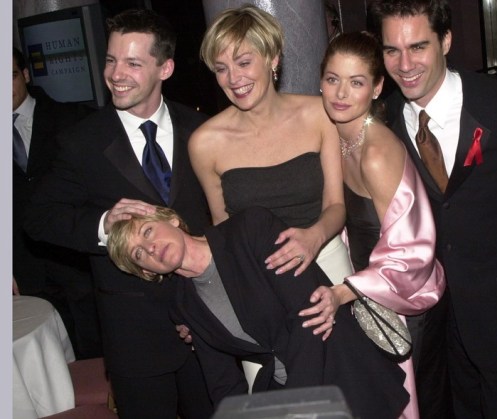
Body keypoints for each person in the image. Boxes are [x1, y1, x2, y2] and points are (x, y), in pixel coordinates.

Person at [24, 9, 214, 419]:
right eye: (111, 60)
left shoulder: (202, 129)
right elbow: (38, 217)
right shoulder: (82, 141)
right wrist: (103, 225)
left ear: (165, 67)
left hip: (208, 325)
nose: (116, 73)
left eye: (132, 62)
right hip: (134, 335)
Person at [369, 0, 497, 417]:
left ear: (446, 40)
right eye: (391, 50)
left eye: (418, 47)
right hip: (436, 321)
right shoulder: (383, 123)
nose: (404, 63)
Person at [106, 205, 410, 419]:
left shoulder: (250, 229)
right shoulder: (184, 304)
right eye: (138, 254)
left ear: (171, 220)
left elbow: (307, 316)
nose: (151, 248)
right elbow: (221, 379)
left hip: (340, 366)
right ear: (145, 271)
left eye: (147, 232)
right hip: (283, 386)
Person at [309, 31, 446, 418]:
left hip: (404, 305)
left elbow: (411, 255)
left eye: (356, 82)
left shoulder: (376, 153)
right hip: (369, 295)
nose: (340, 93)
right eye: (333, 79)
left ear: (377, 87)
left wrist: (343, 292)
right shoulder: (337, 136)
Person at [190, 4, 352, 286]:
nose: (233, 79)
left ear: (272, 58)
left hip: (324, 255)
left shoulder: (319, 115)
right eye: (221, 68)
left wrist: (314, 238)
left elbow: (336, 204)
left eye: (243, 62)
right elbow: (223, 227)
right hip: (259, 274)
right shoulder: (205, 143)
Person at [12, 47, 102, 359]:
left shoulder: (72, 118)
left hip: (76, 258)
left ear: (25, 75)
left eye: (8, 75)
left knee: (96, 347)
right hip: (25, 265)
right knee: (49, 358)